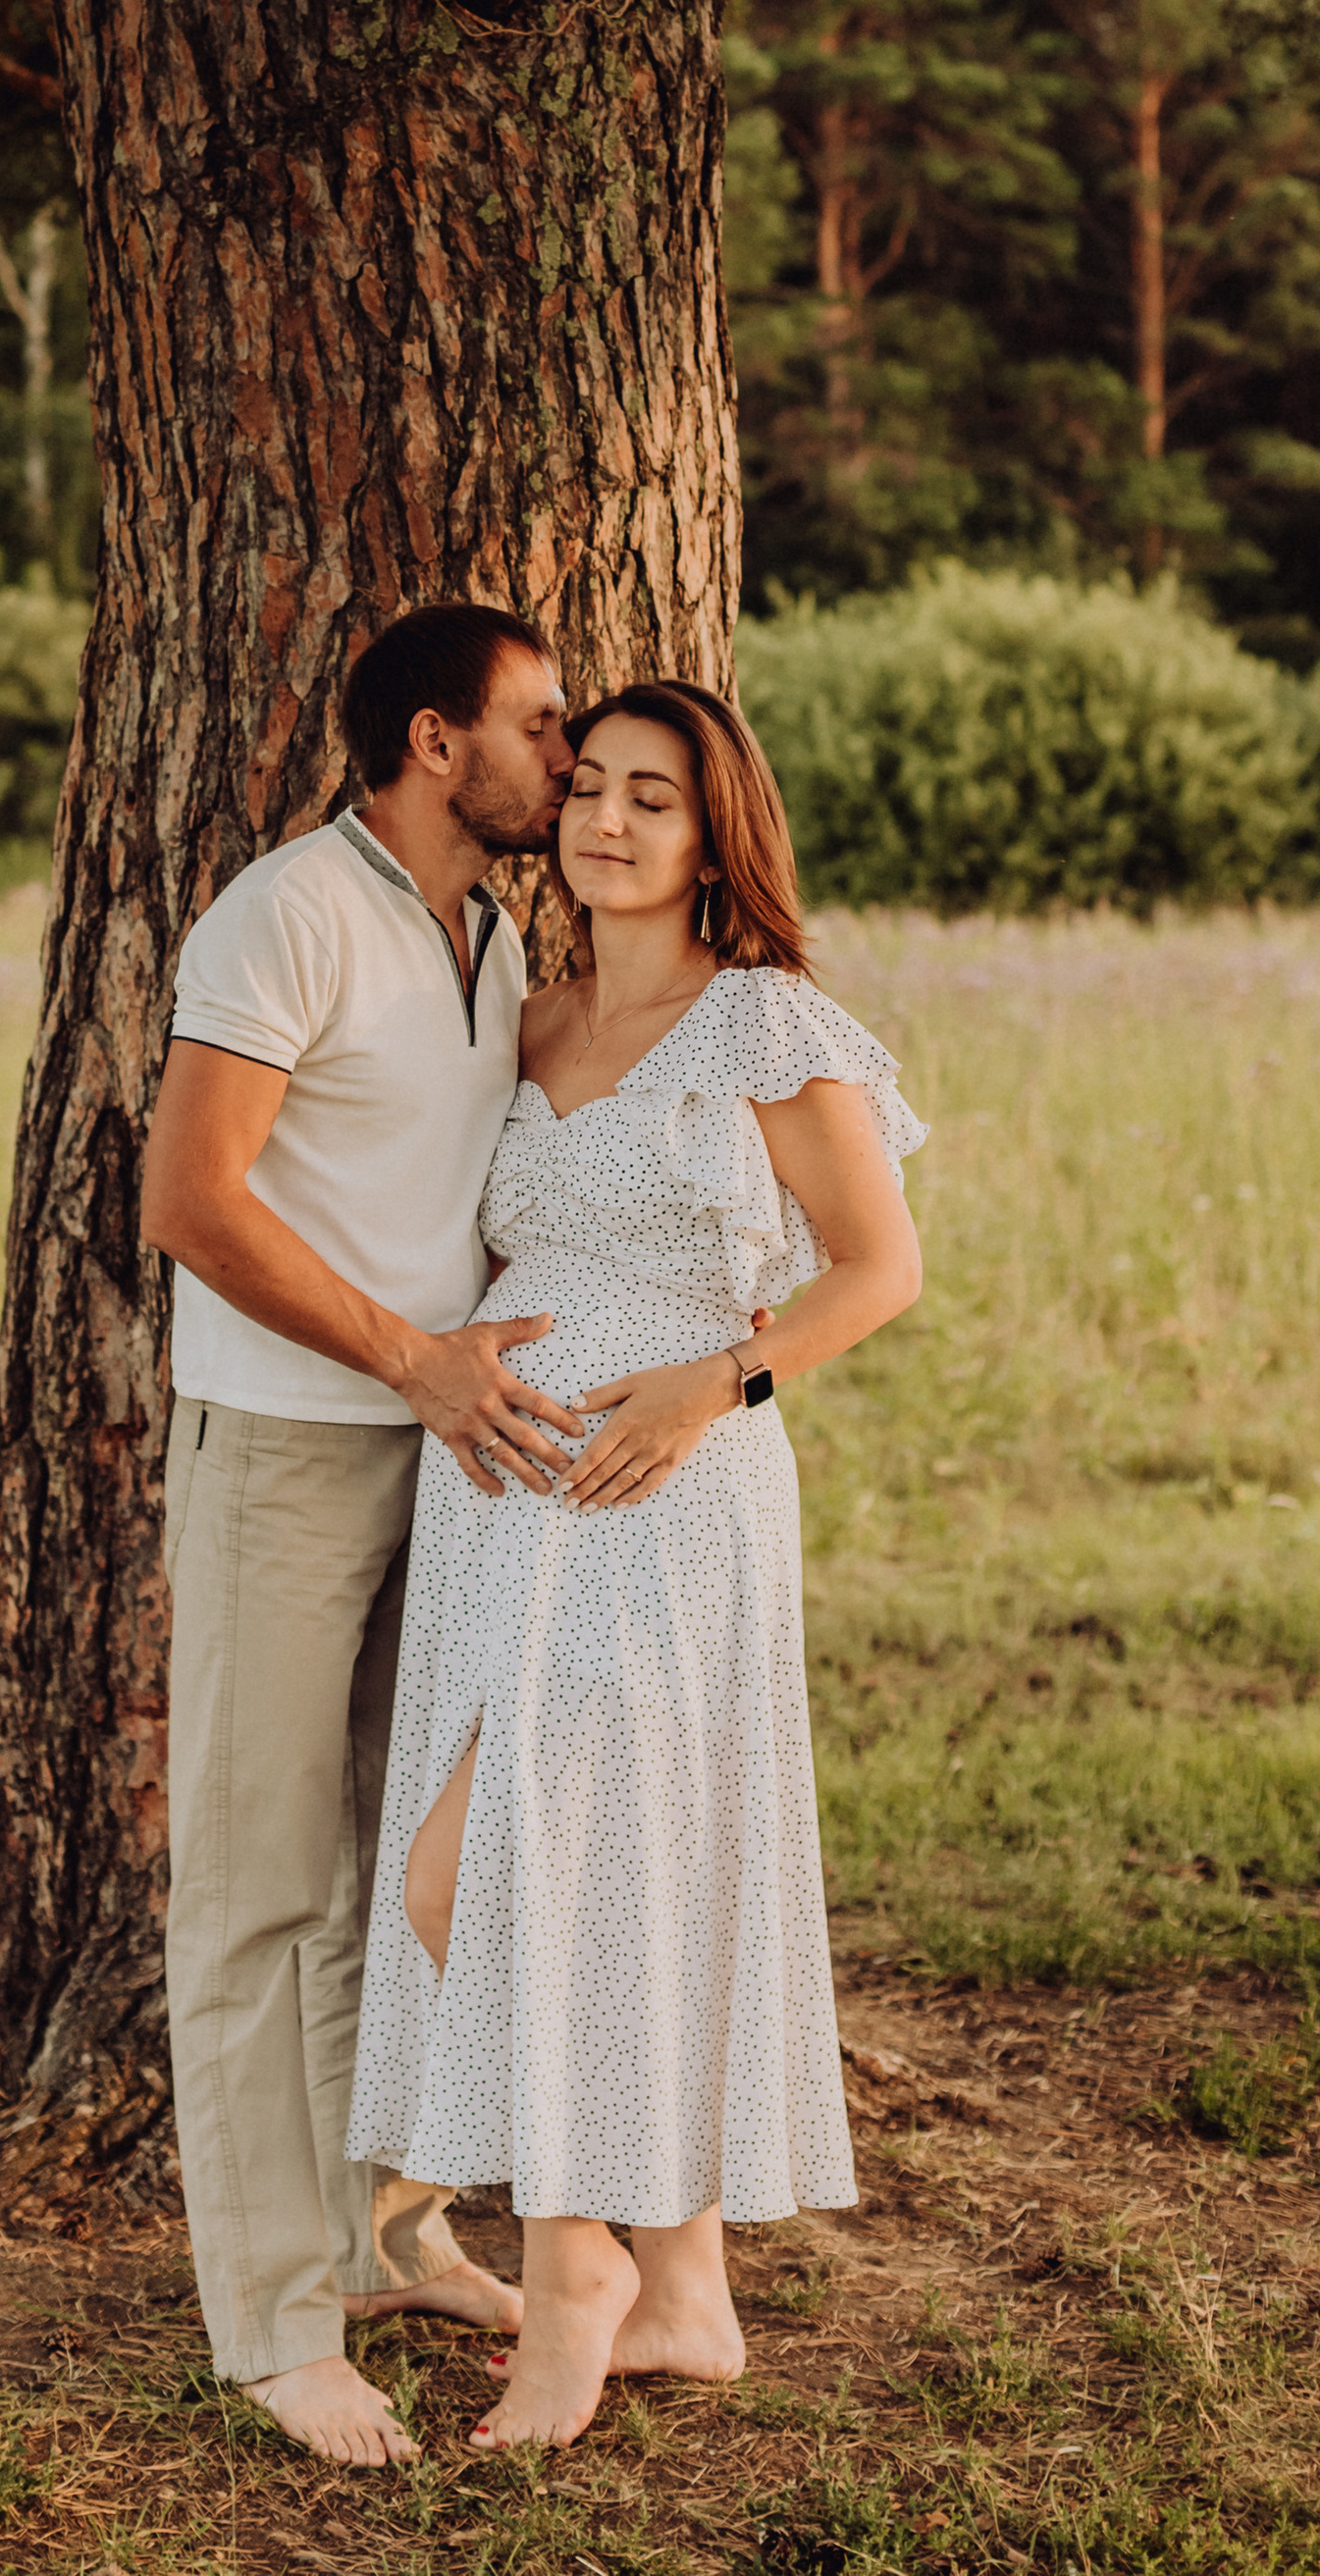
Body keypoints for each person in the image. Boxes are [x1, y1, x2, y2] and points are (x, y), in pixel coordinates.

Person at [346, 680, 926, 2453]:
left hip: (665, 1490)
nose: (604, 821)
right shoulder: (530, 1019)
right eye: (586, 786)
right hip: (500, 1502)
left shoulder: (770, 1028)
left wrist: (712, 1379)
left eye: (650, 798)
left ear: (710, 833)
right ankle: (685, 2293)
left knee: (508, 1865)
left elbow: (877, 1269)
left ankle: (575, 2266)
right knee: (572, 1867)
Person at [137, 603, 583, 2468]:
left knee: (412, 1871)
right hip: (291, 1452)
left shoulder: (489, 931)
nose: (566, 756)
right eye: (543, 727)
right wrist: (412, 1358)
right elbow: (187, 1197)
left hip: (451, 1463)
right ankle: (269, 2321)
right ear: (430, 741)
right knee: (258, 1886)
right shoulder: (286, 914)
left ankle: (380, 2235)